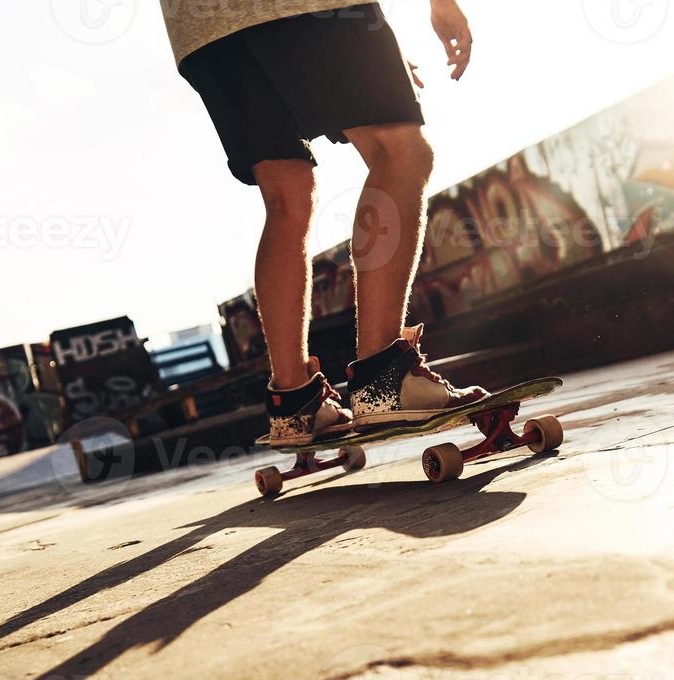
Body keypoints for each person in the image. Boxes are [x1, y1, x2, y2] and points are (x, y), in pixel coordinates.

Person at [163, 0, 490, 446]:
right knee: (399, 151)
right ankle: (383, 379)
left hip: (203, 30)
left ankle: (294, 402)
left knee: (285, 195)